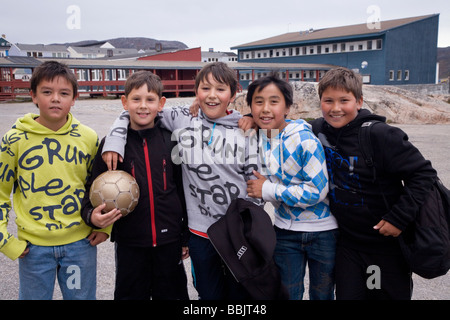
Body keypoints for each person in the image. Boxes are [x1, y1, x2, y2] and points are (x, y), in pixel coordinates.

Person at [101, 62, 262, 300]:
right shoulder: (182, 118)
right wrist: (114, 142)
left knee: (240, 294)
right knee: (208, 294)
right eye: (205, 88)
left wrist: (252, 118)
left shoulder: (245, 129)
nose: (212, 95)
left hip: (236, 231)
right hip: (200, 232)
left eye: (220, 89)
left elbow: (254, 180)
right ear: (196, 91)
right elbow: (136, 110)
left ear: (234, 92)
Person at [311, 67, 437, 299]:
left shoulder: (380, 135)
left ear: (359, 101)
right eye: (328, 100)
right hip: (347, 244)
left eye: (344, 100)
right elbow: (282, 126)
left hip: (383, 246)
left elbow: (423, 174)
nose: (335, 108)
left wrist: (398, 218)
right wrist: (249, 119)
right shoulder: (318, 130)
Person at [0, 60, 109, 300]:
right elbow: (0, 193)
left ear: (74, 98)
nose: (55, 99)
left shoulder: (88, 138)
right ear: (34, 96)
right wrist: (5, 242)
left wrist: (105, 227)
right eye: (47, 92)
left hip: (80, 245)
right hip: (33, 250)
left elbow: (101, 186)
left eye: (64, 93)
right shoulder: (13, 140)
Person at [81, 71, 189, 300]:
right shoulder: (111, 146)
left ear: (161, 104)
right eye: (136, 99)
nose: (143, 106)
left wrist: (185, 235)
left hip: (169, 240)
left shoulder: (172, 140)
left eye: (150, 100)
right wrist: (91, 216)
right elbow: (92, 189)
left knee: (173, 294)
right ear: (124, 102)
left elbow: (182, 188)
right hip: (130, 242)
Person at [244, 74, 338, 300]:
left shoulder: (304, 139)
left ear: (287, 108)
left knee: (322, 294)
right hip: (285, 231)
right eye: (258, 102)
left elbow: (317, 191)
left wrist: (268, 190)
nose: (265, 108)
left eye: (274, 102)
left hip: (323, 232)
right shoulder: (257, 137)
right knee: (288, 293)